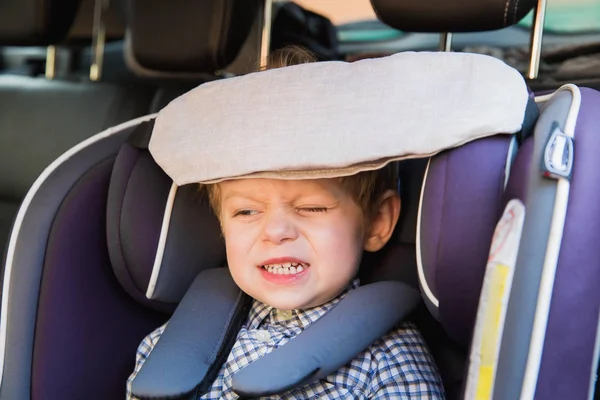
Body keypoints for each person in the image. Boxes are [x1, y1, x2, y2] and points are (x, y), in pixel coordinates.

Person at [126, 47, 445, 399]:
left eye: (311, 208)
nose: (276, 232)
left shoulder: (388, 361)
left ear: (377, 222)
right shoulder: (169, 348)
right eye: (246, 212)